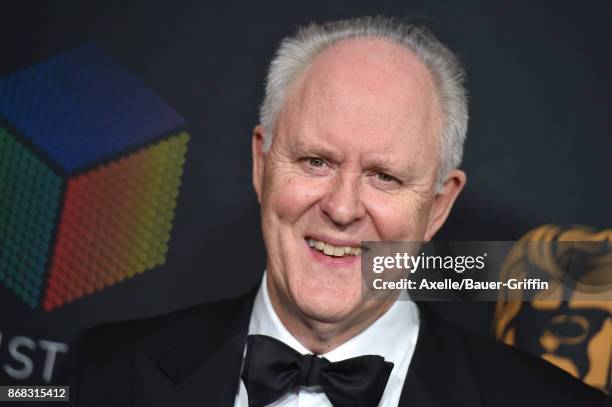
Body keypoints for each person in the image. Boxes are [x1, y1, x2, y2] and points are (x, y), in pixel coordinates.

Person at [60, 16, 609, 407]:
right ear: (261, 163)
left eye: (384, 176)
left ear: (438, 207)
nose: (343, 209)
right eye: (316, 161)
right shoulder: (107, 369)